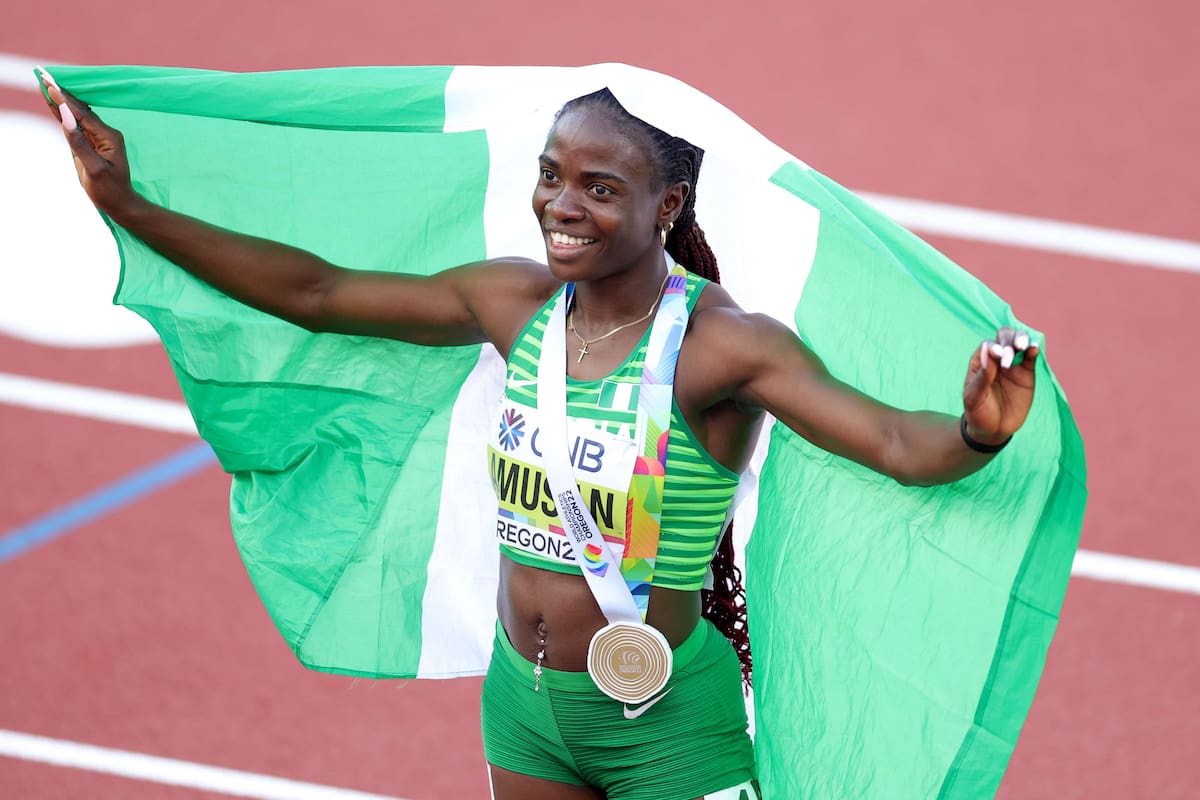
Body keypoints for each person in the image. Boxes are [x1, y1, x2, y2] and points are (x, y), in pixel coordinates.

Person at [43, 75, 1037, 800]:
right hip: (524, 702)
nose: (563, 204)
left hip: (662, 724)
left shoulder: (724, 348)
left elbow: (900, 447)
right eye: (554, 176)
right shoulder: (512, 302)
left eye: (600, 187)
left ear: (668, 205)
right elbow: (318, 292)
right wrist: (131, 207)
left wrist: (975, 430)